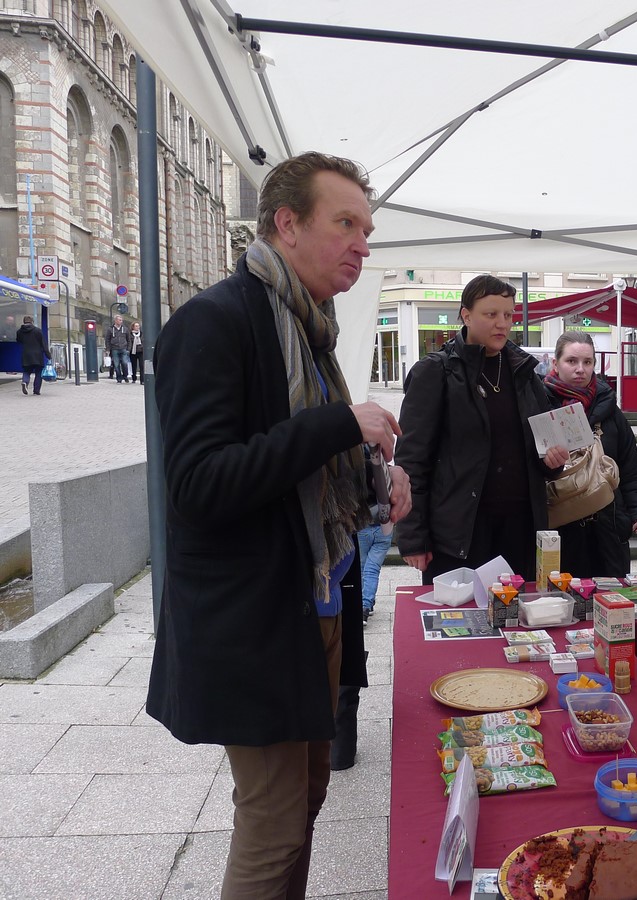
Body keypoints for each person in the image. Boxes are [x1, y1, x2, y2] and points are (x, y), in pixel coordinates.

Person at [147, 151, 413, 900]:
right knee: (271, 825)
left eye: (368, 228)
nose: (363, 243)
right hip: (253, 620)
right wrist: (337, 426)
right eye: (346, 223)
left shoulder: (312, 326)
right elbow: (198, 484)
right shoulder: (215, 321)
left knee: (308, 803)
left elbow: (312, 475)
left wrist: (378, 481)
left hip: (315, 606)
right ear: (286, 224)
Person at [395, 275, 569, 583]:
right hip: (460, 533)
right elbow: (411, 462)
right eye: (491, 314)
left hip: (519, 530)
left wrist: (553, 462)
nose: (502, 323)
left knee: (516, 623)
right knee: (462, 625)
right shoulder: (435, 372)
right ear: (466, 315)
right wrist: (413, 537)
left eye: (508, 315)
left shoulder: (524, 373)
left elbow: (542, 448)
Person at [543, 330, 637, 577]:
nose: (580, 369)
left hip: (608, 527)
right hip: (560, 529)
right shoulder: (538, 405)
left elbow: (630, 467)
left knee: (610, 601)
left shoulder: (611, 412)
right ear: (555, 364)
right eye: (571, 361)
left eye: (587, 362)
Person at [357, 519, 392, 621]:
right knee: (372, 570)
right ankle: (368, 603)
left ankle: (365, 606)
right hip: (384, 527)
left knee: (363, 568)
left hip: (362, 526)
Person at [15, 315, 50, 395]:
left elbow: (19, 341)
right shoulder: (38, 331)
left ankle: (25, 382)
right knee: (38, 372)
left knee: (27, 371)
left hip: (26, 354)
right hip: (37, 355)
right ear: (32, 322)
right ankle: (36, 390)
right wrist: (48, 355)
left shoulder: (19, 331)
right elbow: (43, 344)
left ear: (24, 322)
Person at [106, 314, 131, 382]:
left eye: (121, 320)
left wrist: (128, 349)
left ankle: (125, 376)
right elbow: (107, 340)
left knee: (124, 363)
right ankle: (119, 378)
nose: (121, 321)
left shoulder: (125, 329)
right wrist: (108, 349)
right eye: (119, 320)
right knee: (116, 365)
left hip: (123, 348)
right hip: (114, 348)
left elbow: (129, 339)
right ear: (116, 320)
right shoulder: (110, 329)